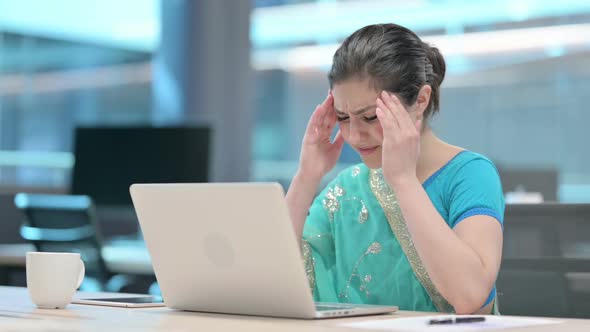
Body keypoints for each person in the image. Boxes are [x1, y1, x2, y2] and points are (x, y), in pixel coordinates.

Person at [285, 23, 504, 314]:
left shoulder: (470, 174)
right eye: (342, 116)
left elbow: (470, 295)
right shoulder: (347, 187)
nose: (353, 136)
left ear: (421, 100)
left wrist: (403, 181)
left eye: (370, 117)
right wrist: (306, 177)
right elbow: (269, 278)